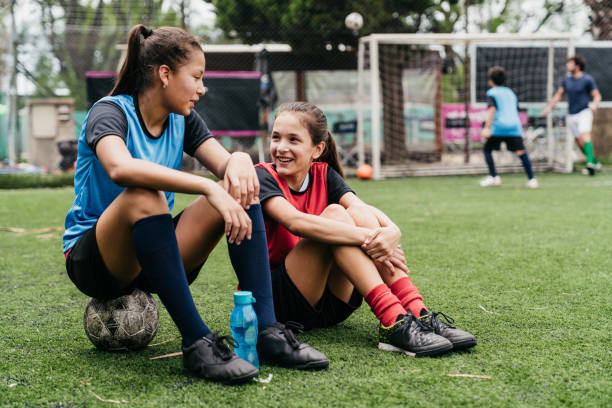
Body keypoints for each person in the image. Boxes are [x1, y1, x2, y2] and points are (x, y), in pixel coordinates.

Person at [62, 25, 328, 385]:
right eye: (197, 77)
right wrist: (206, 186)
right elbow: (120, 168)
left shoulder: (181, 119)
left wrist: (237, 160)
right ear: (165, 74)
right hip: (97, 260)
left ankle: (267, 331)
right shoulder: (110, 112)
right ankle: (197, 343)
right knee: (145, 193)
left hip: (153, 252)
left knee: (239, 186)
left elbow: (226, 163)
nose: (203, 88)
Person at [254, 102, 477, 358]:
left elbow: (361, 208)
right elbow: (295, 222)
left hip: (332, 305)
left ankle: (418, 312)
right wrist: (371, 238)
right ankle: (392, 318)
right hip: (283, 305)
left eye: (293, 140)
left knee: (353, 212)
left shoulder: (323, 174)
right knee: (337, 215)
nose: (281, 147)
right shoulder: (263, 176)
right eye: (276, 137)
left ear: (317, 149)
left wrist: (393, 231)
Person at [542, 55, 602, 176]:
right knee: (579, 142)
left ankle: (590, 164)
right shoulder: (567, 80)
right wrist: (548, 108)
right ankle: (595, 162)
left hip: (584, 112)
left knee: (585, 136)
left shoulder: (587, 79)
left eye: (570, 63)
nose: (567, 65)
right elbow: (559, 94)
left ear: (577, 66)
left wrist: (594, 104)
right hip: (571, 114)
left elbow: (597, 95)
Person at [480, 66, 538, 189]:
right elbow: (515, 109)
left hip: (499, 126)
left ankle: (494, 177)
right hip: (514, 126)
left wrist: (486, 127)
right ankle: (532, 179)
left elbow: (492, 109)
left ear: (491, 81)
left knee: (487, 150)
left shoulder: (492, 93)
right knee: (521, 152)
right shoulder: (511, 93)